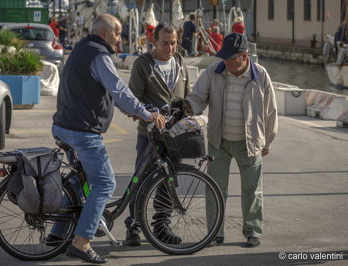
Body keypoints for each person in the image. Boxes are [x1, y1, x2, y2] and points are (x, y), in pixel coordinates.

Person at [50, 14, 166, 264]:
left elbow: (100, 89)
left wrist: (130, 110)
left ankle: (55, 237)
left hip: (64, 125)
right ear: (104, 34)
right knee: (104, 184)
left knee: (77, 186)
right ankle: (81, 243)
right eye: (117, 33)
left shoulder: (81, 48)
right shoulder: (99, 55)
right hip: (82, 131)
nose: (120, 39)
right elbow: (119, 89)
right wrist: (146, 114)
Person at [186, 33, 278, 248]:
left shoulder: (260, 75)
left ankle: (253, 231)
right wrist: (187, 108)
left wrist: (267, 142)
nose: (225, 61)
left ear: (244, 56)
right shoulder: (214, 71)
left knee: (252, 189)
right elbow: (198, 97)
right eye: (223, 57)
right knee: (215, 189)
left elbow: (270, 111)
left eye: (230, 57)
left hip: (250, 142)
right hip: (219, 140)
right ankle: (215, 232)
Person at [125, 21, 191, 246]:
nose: (170, 48)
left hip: (175, 135)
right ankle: (133, 226)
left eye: (173, 43)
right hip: (150, 135)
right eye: (164, 43)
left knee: (169, 180)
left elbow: (187, 96)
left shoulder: (180, 62)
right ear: (154, 42)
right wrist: (149, 112)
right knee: (141, 178)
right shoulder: (142, 64)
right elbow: (133, 99)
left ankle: (161, 226)